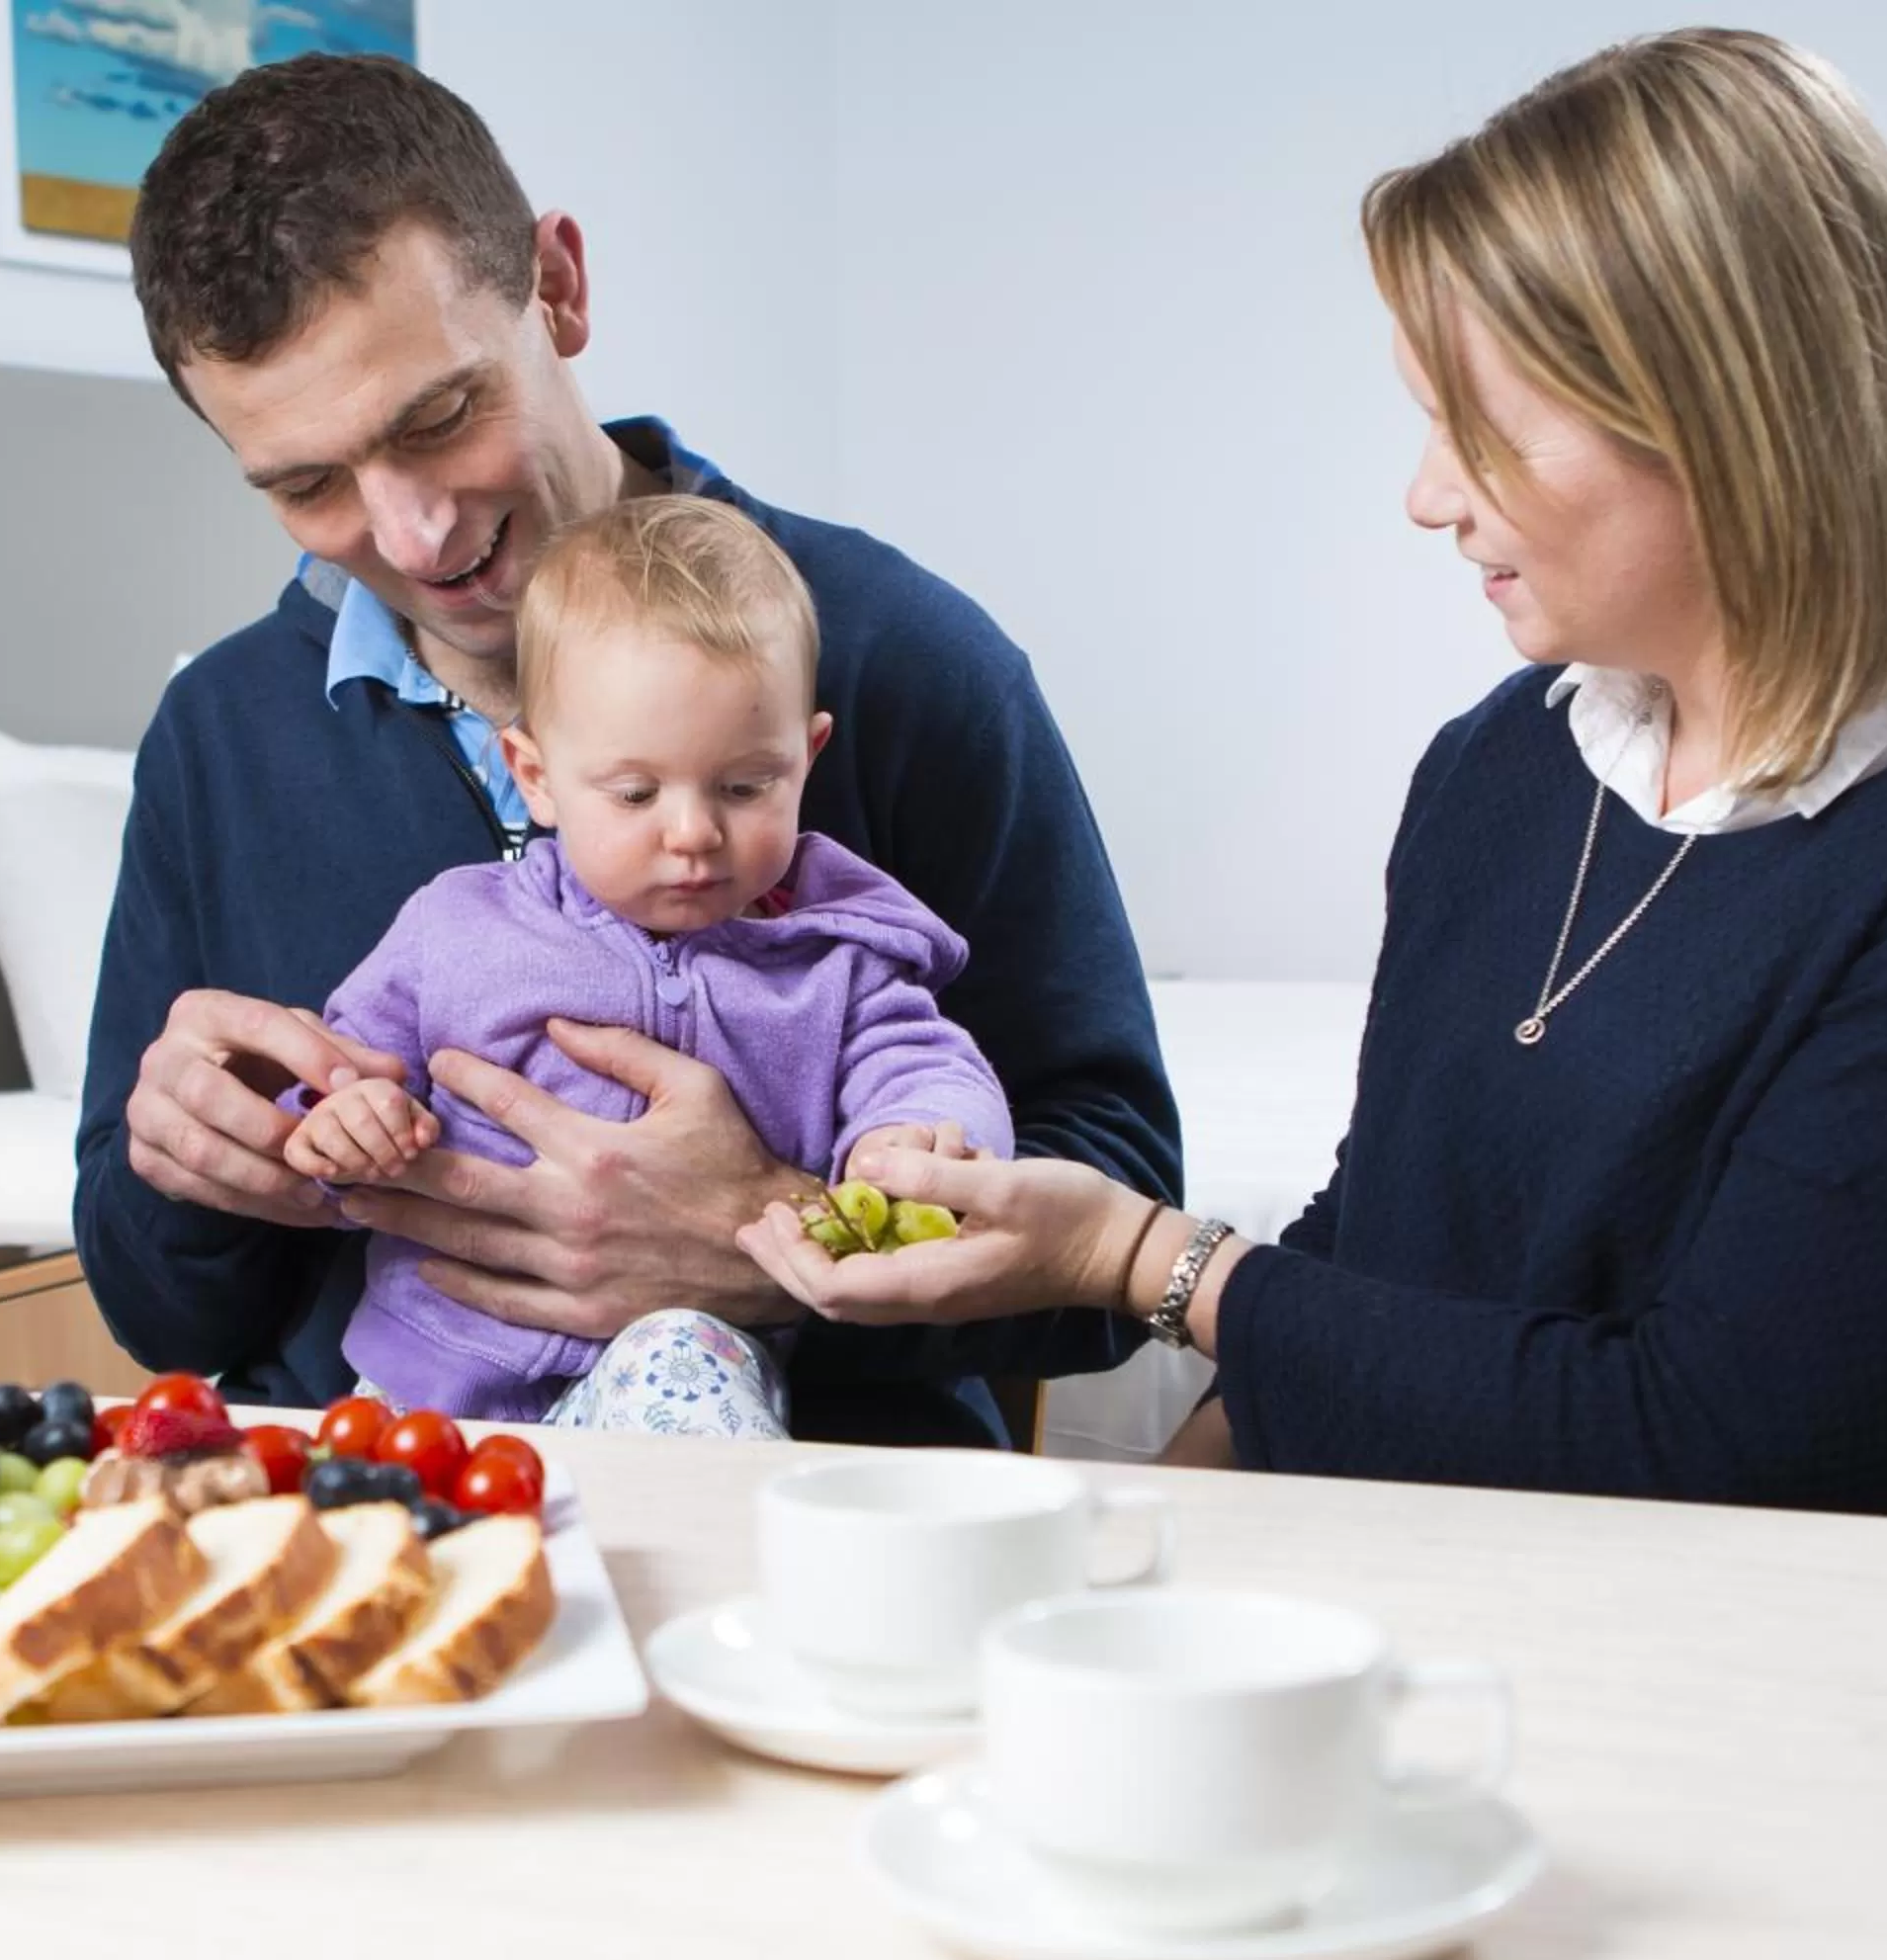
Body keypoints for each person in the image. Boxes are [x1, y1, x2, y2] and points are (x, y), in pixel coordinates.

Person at [738, 28, 1887, 1535]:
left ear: (1736, 415)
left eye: (1485, 432)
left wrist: (1141, 1264)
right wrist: (1141, 1562)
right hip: (1493, 1648)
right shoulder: (1505, 764)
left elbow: (1721, 1445)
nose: (1428, 496)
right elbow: (1379, 1258)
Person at [75, 54, 1179, 1447]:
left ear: (560, 288)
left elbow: (1123, 1212)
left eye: (437, 418)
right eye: (307, 485)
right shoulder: (220, 736)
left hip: (808, 1532)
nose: (413, 535)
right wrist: (183, 1174)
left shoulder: (903, 657)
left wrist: (772, 1239)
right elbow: (165, 1316)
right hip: (385, 1519)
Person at [283, 496, 1010, 1432]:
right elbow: (342, 1065)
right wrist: (341, 1119)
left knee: (682, 1361)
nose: (695, 834)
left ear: (807, 757)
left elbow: (925, 1063)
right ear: (536, 775)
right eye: (634, 793)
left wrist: (912, 1136)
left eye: (747, 786)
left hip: (671, 1375)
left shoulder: (841, 957)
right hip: (434, 1388)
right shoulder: (455, 927)